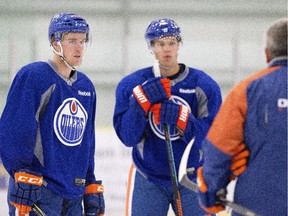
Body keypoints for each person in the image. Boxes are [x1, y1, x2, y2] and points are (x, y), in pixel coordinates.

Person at [113, 18, 222, 216]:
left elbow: (213, 139)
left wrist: (185, 121)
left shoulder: (203, 85)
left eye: (172, 43)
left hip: (191, 177)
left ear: (179, 45)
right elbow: (128, 138)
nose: (167, 49)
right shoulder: (131, 85)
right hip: (149, 177)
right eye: (160, 44)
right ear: (151, 47)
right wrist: (140, 105)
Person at [0, 12, 105, 216]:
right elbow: (14, 129)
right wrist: (20, 172)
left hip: (73, 194)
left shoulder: (86, 87)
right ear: (55, 43)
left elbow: (86, 142)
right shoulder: (34, 76)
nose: (79, 48)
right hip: (39, 190)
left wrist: (89, 182)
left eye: (83, 41)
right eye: (72, 40)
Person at [197, 18, 287, 216]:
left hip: (255, 206)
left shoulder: (246, 90)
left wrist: (211, 192)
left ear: (267, 54)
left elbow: (219, 147)